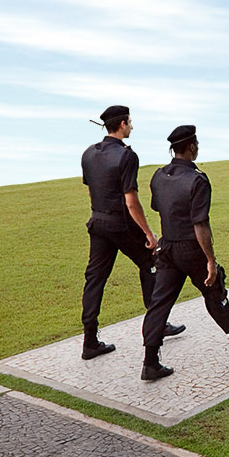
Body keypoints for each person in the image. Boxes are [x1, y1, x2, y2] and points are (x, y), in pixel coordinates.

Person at [139, 125, 229, 380]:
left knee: (158, 303)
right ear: (192, 147)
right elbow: (200, 224)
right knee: (214, 290)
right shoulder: (198, 180)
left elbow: (157, 207)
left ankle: (150, 362)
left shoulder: (158, 176)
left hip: (167, 248)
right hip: (191, 248)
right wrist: (210, 259)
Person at [80, 105, 185, 360]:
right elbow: (130, 200)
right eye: (130, 122)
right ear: (123, 124)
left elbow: (92, 188)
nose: (132, 126)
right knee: (151, 261)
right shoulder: (127, 156)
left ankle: (90, 342)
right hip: (121, 224)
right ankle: (157, 326)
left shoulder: (88, 153)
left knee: (95, 279)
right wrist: (148, 233)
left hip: (97, 222)